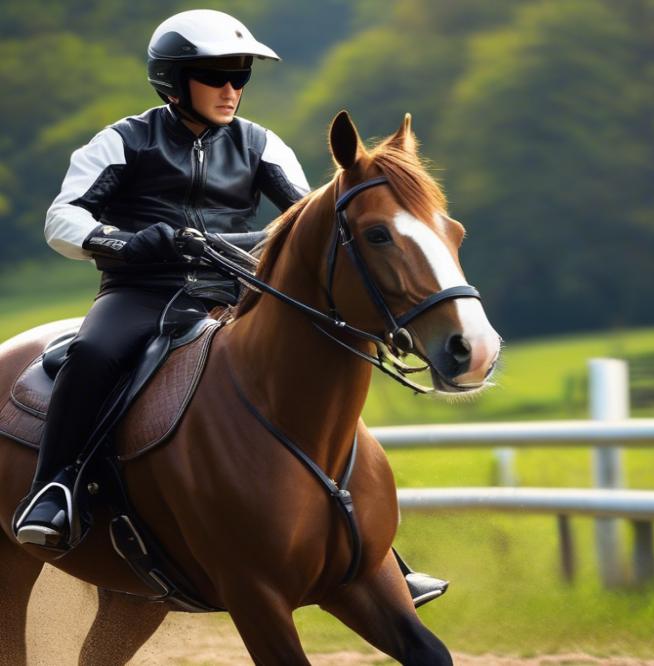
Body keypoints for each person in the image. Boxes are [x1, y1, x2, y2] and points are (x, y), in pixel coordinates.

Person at [13, 9, 447, 606]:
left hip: (234, 293)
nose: (232, 90)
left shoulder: (261, 144)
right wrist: (126, 241)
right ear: (173, 81)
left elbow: (308, 221)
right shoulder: (122, 140)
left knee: (308, 383)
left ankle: (373, 548)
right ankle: (55, 489)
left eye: (240, 76)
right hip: (142, 295)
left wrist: (251, 247)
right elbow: (63, 218)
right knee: (91, 353)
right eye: (216, 76)